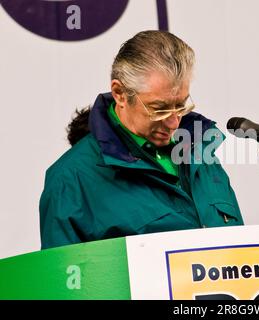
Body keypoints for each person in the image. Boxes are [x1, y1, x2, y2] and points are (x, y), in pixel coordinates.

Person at [39, 30, 244, 249]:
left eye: (181, 106)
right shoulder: (70, 180)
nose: (174, 122)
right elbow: (64, 280)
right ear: (120, 93)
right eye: (159, 109)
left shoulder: (201, 151)